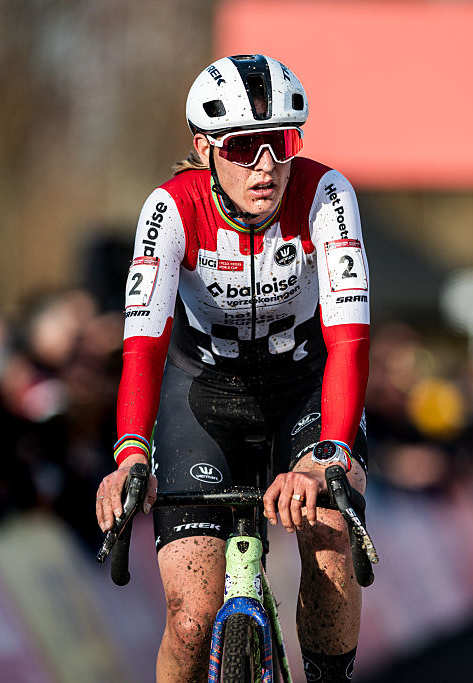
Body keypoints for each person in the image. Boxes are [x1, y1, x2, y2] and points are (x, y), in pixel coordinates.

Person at [94, 54, 370, 682]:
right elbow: (143, 344)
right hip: (202, 395)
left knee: (329, 554)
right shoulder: (169, 210)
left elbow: (350, 340)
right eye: (245, 147)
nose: (267, 165)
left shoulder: (327, 194)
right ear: (206, 147)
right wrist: (131, 451)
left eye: (281, 143)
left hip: (304, 390)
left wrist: (327, 454)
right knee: (191, 619)